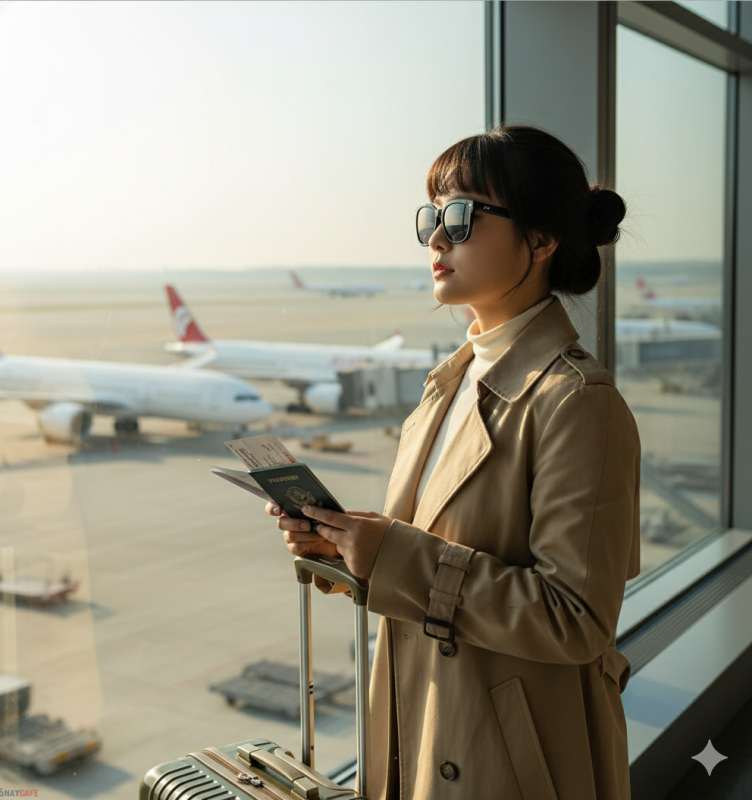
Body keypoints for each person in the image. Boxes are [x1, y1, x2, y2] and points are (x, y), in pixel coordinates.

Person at [267, 124, 641, 800]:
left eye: (462, 216)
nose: (438, 239)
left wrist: (395, 556)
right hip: (423, 727)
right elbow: (430, 559)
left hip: (508, 762)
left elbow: (575, 619)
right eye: (433, 217)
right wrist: (346, 545)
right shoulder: (451, 380)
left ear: (541, 239)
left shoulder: (578, 404)